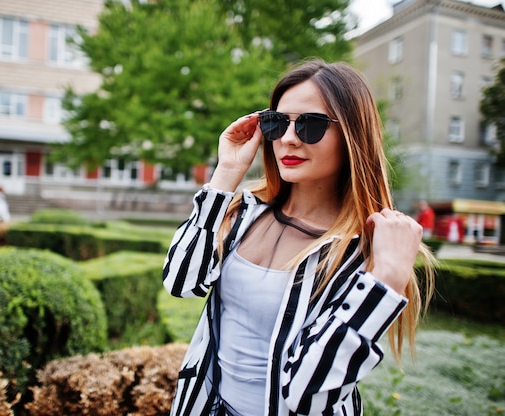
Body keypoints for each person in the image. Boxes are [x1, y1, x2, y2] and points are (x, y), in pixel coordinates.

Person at [163, 59, 436, 416]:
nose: (289, 138)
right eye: (277, 123)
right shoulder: (244, 214)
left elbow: (307, 392)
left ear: (352, 136)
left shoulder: (365, 250)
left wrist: (385, 280)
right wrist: (226, 174)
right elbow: (181, 282)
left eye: (311, 124)